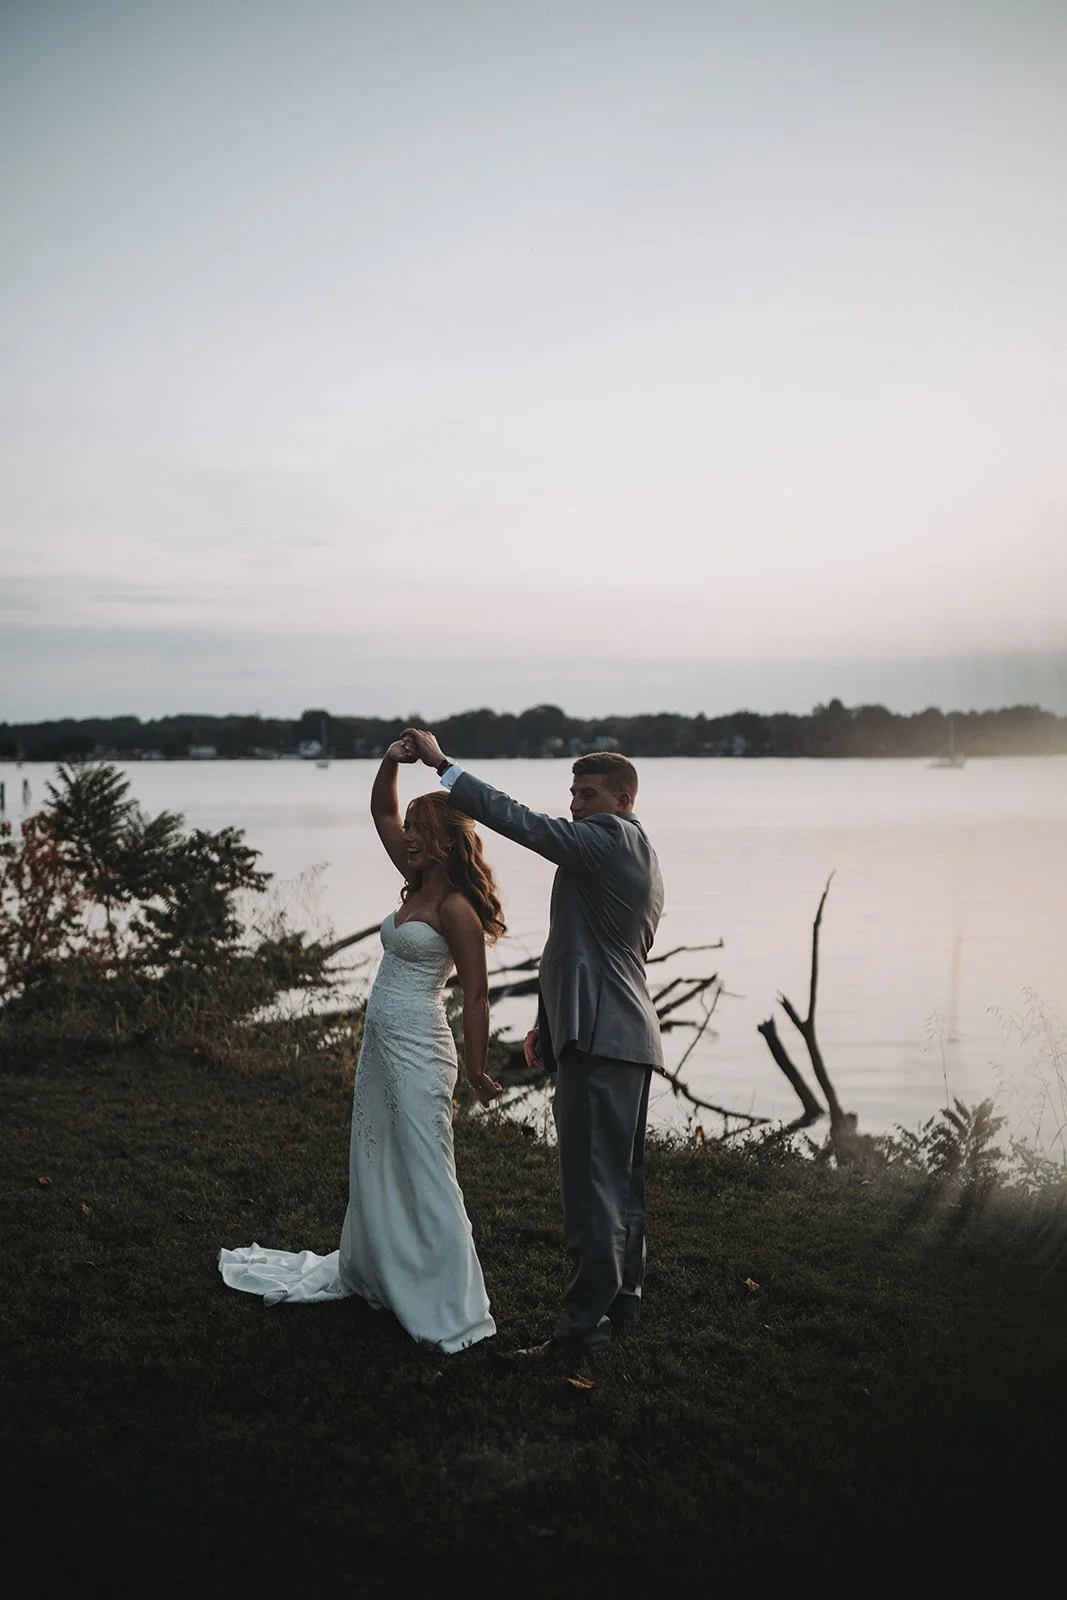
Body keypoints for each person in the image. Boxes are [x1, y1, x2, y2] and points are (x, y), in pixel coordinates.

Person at [218, 737, 505, 1355]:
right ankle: (381, 1270)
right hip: (381, 1046)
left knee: (428, 1165)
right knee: (376, 1158)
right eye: (410, 829)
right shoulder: (416, 883)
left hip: (421, 1049)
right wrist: (391, 762)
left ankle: (449, 1301)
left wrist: (478, 1068)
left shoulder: (456, 908)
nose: (406, 836)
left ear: (449, 842)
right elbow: (380, 812)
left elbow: (477, 995)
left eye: (420, 831)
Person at [404, 728, 664, 1357]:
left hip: (603, 1041)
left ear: (623, 800)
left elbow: (522, 824)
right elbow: (585, 951)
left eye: (589, 794)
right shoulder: (638, 852)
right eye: (573, 793)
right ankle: (622, 1303)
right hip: (621, 1034)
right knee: (621, 1186)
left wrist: (444, 767)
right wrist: (550, 1025)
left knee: (590, 1191)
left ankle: (582, 1331)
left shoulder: (607, 841)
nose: (575, 805)